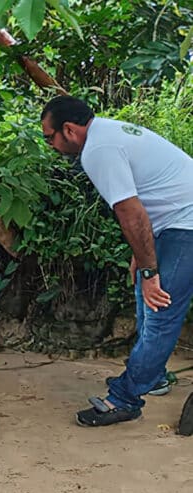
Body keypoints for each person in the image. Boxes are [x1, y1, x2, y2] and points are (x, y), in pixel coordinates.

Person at [40, 96, 193, 427]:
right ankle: (154, 376)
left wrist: (151, 269)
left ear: (69, 129)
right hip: (172, 221)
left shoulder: (98, 150)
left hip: (186, 222)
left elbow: (130, 211)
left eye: (49, 137)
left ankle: (124, 399)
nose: (50, 145)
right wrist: (143, 257)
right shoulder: (105, 134)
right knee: (145, 301)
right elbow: (142, 204)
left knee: (160, 311)